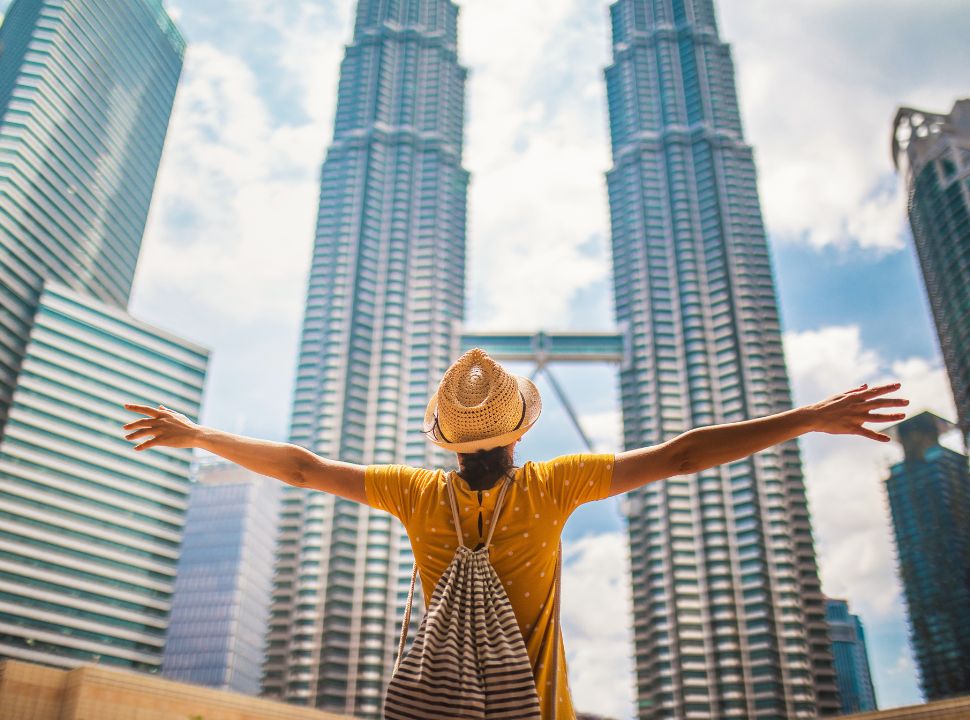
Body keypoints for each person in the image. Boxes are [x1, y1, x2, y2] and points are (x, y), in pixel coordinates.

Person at [122, 348, 908, 718]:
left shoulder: (416, 494)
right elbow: (682, 455)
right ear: (516, 433)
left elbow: (300, 468)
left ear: (449, 439)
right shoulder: (552, 485)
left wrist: (201, 437)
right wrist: (806, 417)